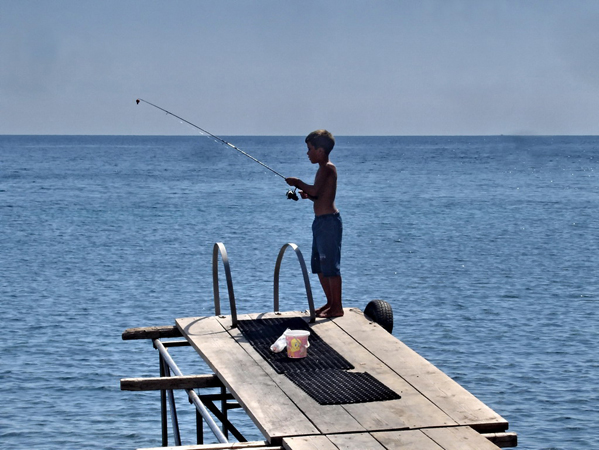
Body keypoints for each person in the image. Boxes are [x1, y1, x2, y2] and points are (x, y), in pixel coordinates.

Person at [286, 130, 343, 318]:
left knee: (331, 267)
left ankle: (337, 307)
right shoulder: (321, 169)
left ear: (320, 150)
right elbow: (318, 195)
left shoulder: (328, 168)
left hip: (329, 224)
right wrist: (307, 195)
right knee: (319, 266)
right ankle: (330, 302)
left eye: (309, 149)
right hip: (320, 223)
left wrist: (298, 182)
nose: (307, 153)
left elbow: (315, 189)